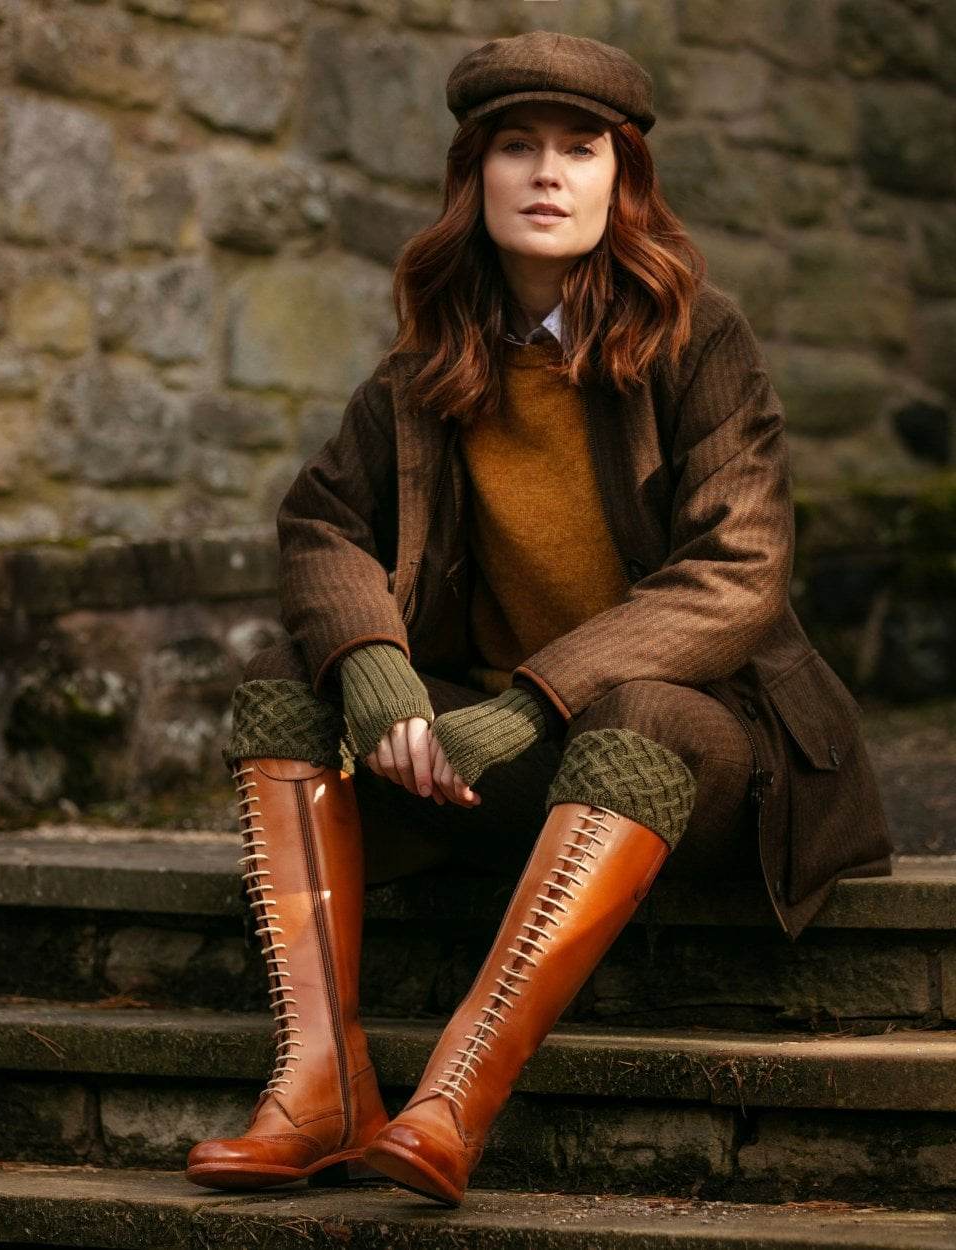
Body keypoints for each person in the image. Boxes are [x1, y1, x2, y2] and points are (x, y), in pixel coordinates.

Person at [185, 30, 894, 1207]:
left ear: (624, 182)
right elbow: (320, 526)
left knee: (640, 711)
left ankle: (453, 1096)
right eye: (518, 146)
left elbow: (737, 569)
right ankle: (320, 1084)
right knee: (281, 674)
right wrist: (375, 669)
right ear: (476, 178)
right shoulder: (423, 369)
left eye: (581, 148)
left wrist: (526, 704)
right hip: (509, 763)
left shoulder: (699, 337)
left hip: (719, 750)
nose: (548, 172)